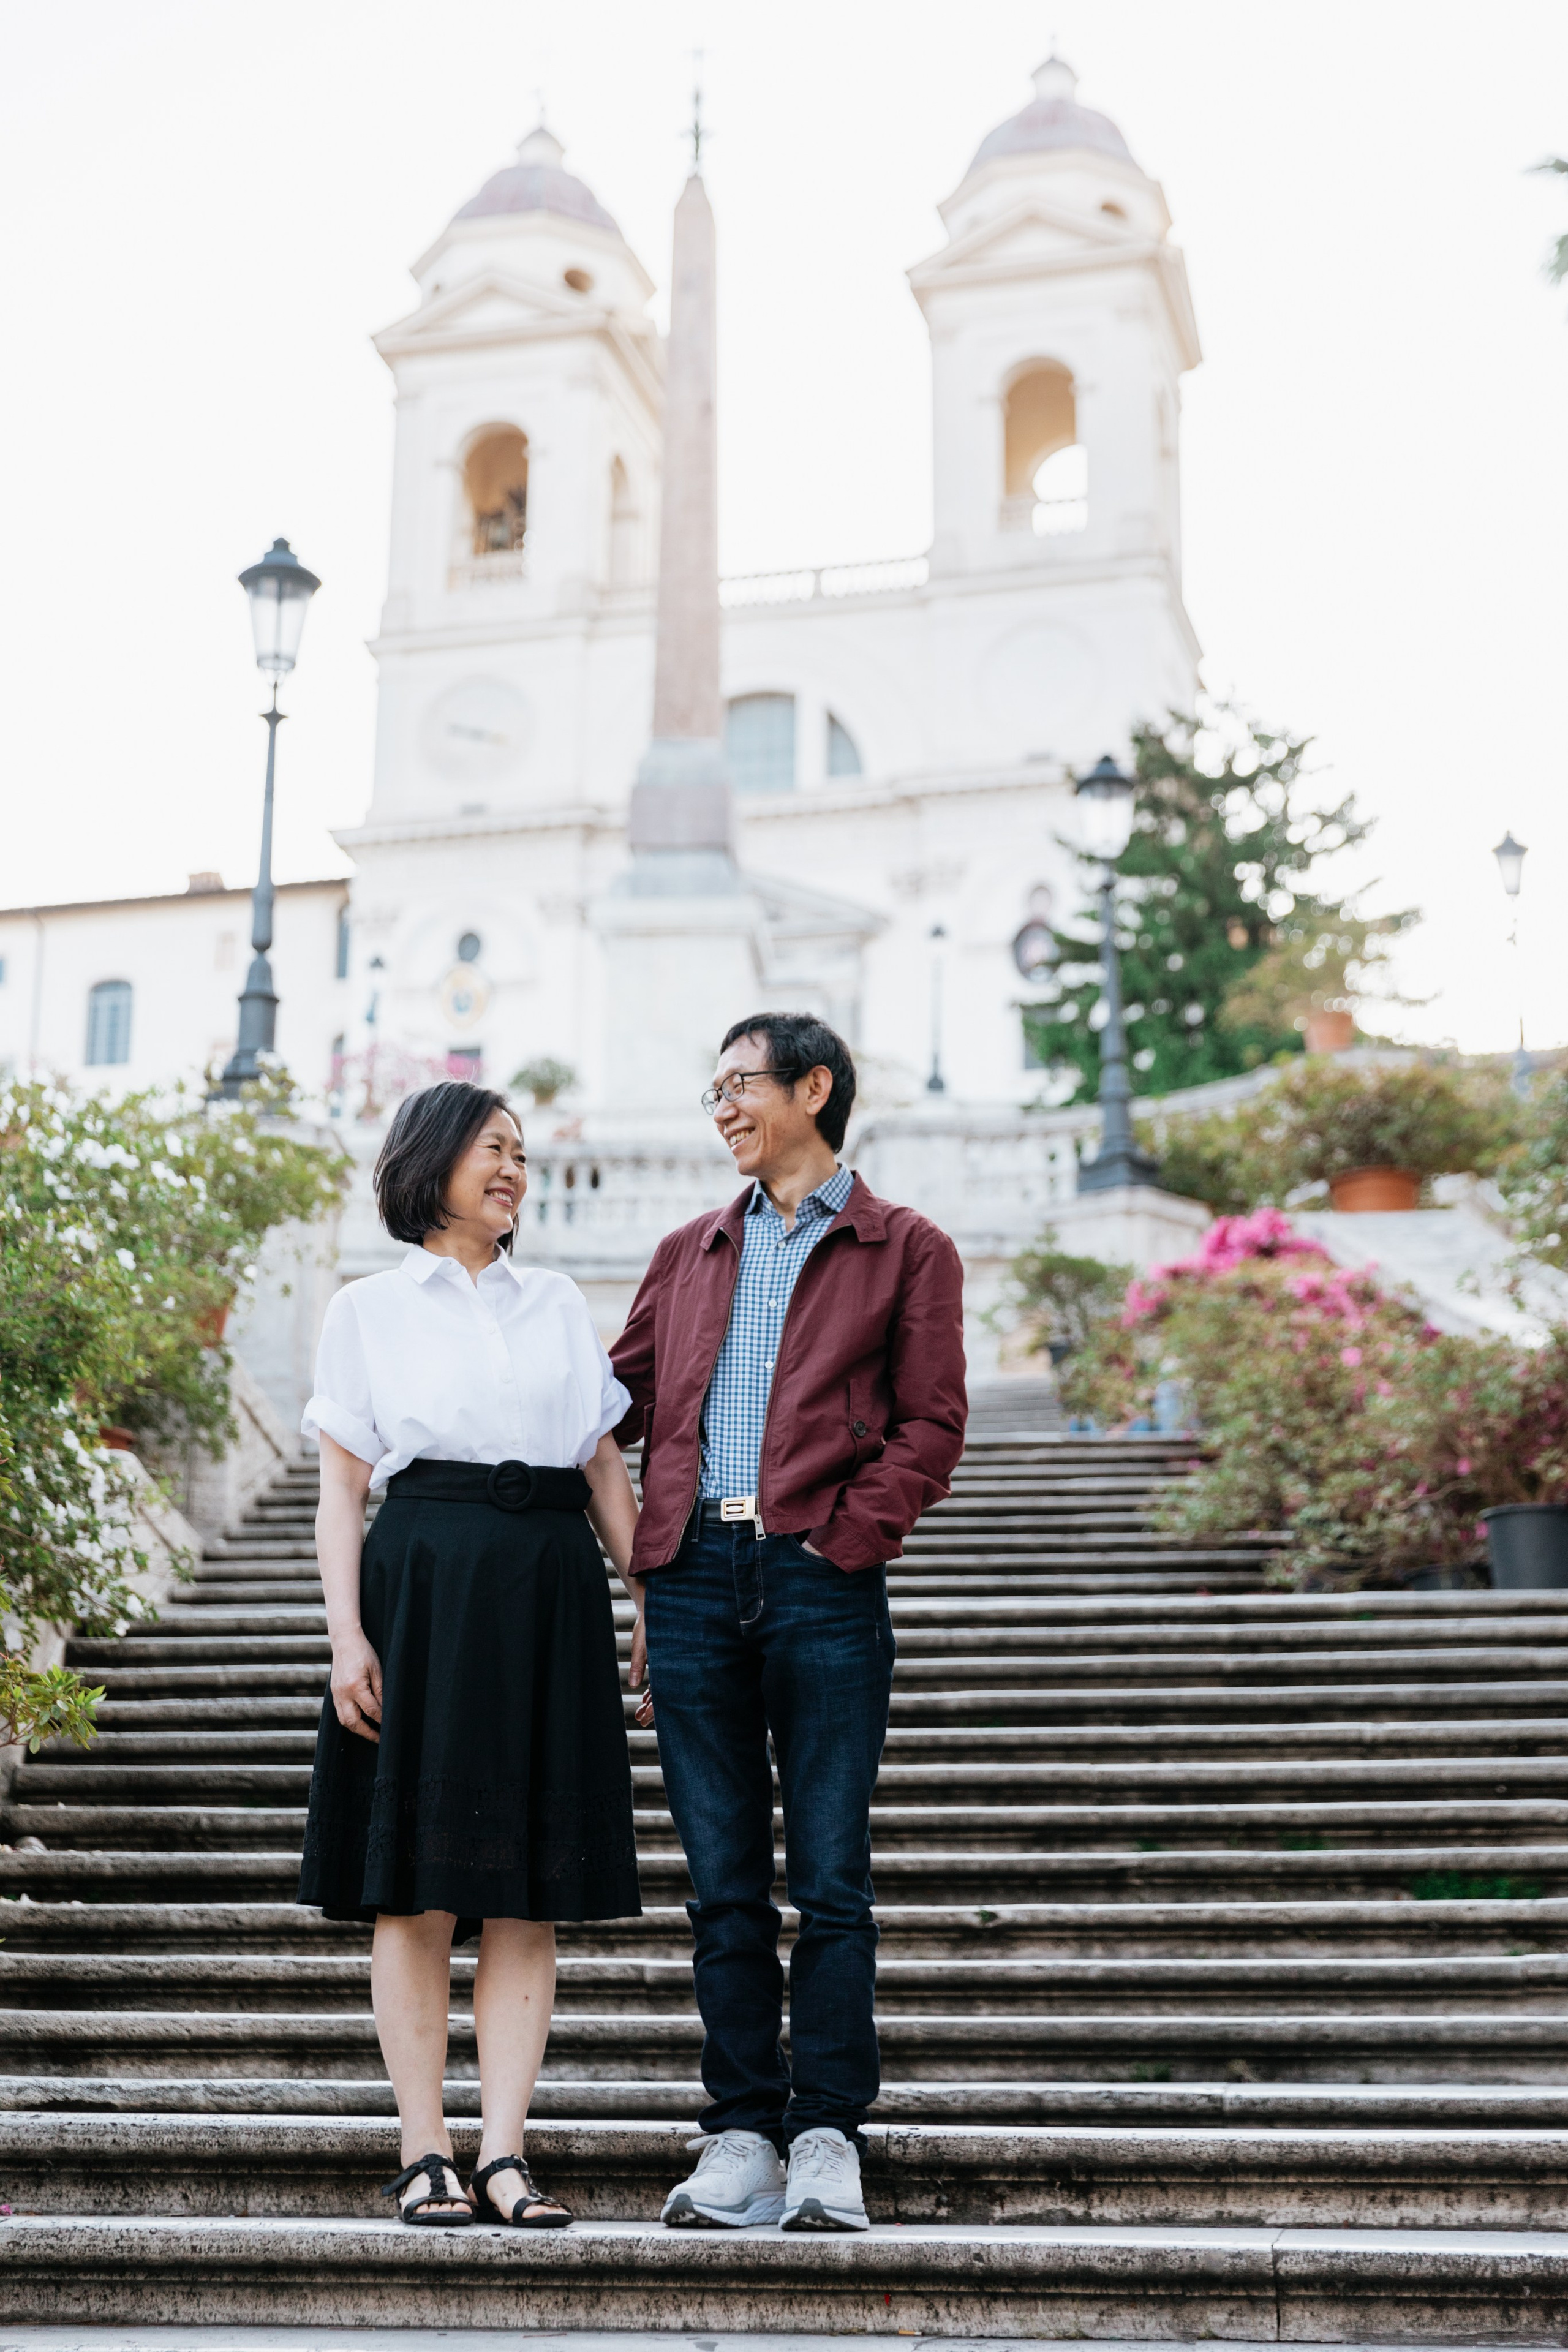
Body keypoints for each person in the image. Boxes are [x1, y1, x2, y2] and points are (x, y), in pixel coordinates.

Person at [611, 1012, 967, 2233]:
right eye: (710, 1089)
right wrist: (652, 1562)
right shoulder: (686, 1252)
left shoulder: (904, 1246)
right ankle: (739, 2135)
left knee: (829, 1880)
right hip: (698, 1579)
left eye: (739, 1085)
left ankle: (824, 2137)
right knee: (720, 1886)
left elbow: (931, 1424)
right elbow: (617, 1406)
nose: (720, 1108)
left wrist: (844, 1538)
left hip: (820, 1575)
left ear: (813, 1089)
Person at [296, 1081, 644, 2230]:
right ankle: (423, 2151)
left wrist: (646, 1590)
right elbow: (343, 1489)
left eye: (523, 1154)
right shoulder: (368, 1309)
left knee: (528, 1896)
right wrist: (349, 1636)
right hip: (427, 1588)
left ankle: (504, 2155)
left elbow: (600, 1463)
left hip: (549, 1588)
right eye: (495, 1149)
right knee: (418, 1891)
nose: (515, 1170)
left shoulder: (555, 1301)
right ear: (432, 1160)